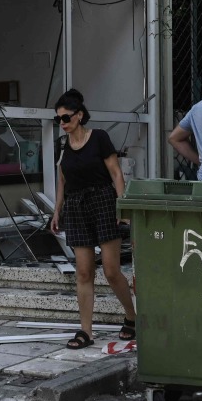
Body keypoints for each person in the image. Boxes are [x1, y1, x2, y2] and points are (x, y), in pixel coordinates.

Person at [49, 89, 137, 349]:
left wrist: (123, 207)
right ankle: (85, 331)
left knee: (111, 270)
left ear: (79, 115)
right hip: (76, 206)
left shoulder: (99, 138)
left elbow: (116, 173)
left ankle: (132, 317)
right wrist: (57, 210)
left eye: (65, 117)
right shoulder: (64, 146)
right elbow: (62, 179)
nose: (62, 123)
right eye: (58, 119)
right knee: (84, 271)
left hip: (103, 202)